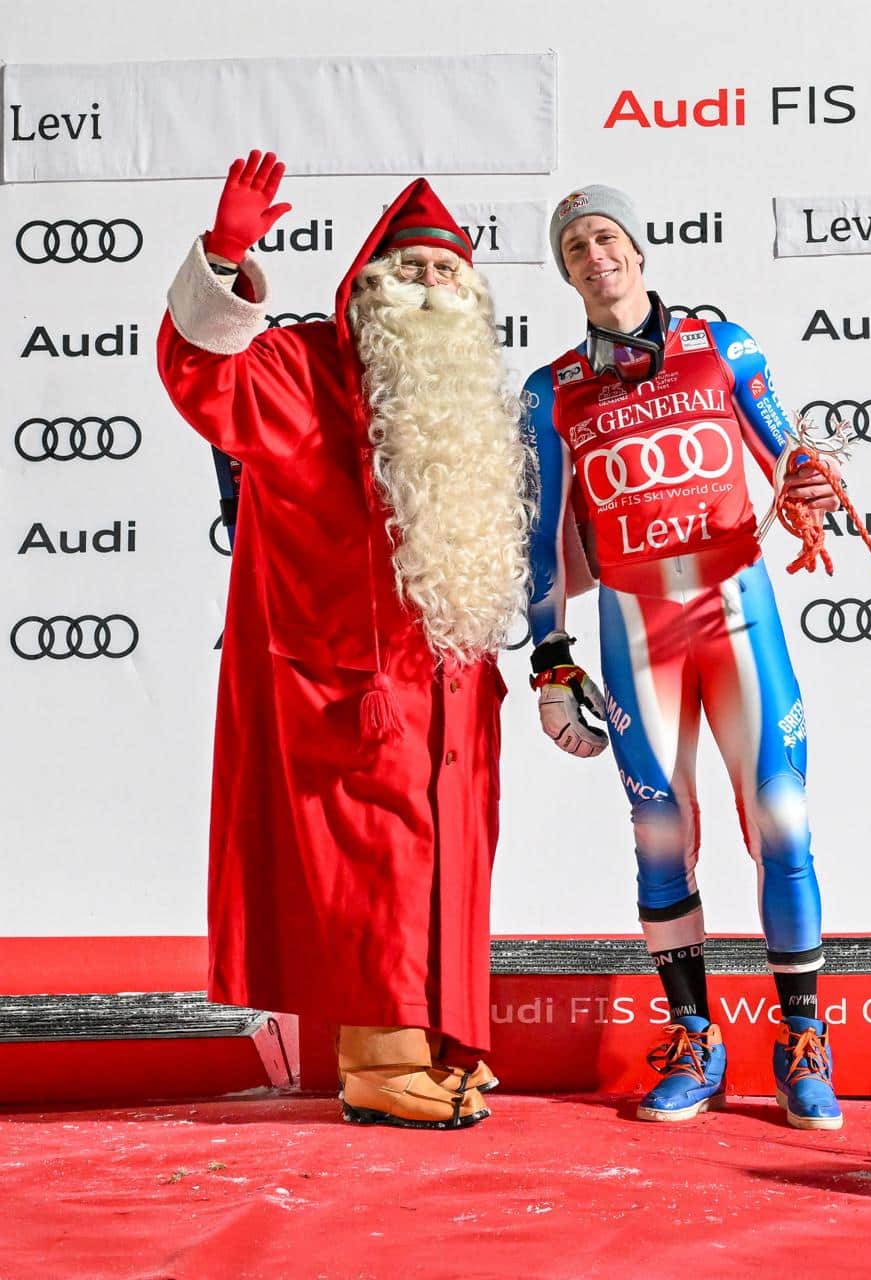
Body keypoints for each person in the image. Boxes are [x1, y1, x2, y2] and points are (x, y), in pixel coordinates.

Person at [157, 151, 531, 1129]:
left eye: (450, 272)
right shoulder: (302, 367)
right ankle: (377, 1061)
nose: (431, 284)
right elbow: (203, 373)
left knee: (447, 856)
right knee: (376, 863)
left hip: (448, 685)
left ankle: (446, 1040)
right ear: (366, 285)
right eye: (411, 268)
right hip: (346, 682)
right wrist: (226, 255)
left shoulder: (474, 407)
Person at [520, 186, 847, 1129]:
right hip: (635, 628)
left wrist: (809, 485)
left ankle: (803, 1041)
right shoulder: (552, 390)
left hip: (735, 612)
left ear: (639, 250)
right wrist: (547, 658)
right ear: (567, 269)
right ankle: (697, 1040)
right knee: (661, 829)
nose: (594, 253)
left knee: (780, 819)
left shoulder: (719, 342)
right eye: (576, 244)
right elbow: (543, 536)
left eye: (608, 235)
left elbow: (784, 449)